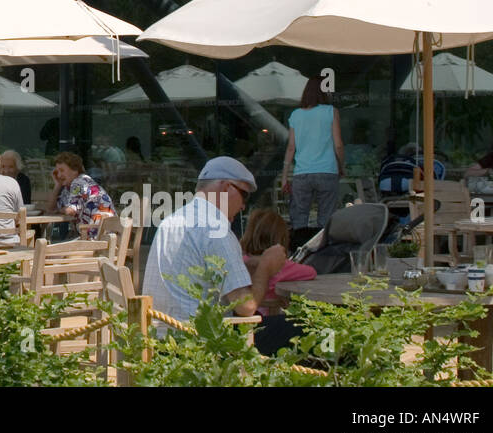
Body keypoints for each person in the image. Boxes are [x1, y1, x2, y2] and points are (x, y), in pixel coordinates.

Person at [141, 157, 292, 355]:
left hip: (161, 342)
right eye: (244, 195)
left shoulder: (171, 221)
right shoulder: (217, 230)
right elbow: (245, 306)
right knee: (305, 329)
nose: (243, 206)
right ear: (226, 188)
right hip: (198, 345)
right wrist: (265, 267)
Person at [280, 75, 345, 229]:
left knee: (299, 219)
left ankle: (300, 251)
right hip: (327, 171)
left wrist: (284, 177)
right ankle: (324, 251)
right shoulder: (331, 111)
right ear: (323, 93)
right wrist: (341, 166)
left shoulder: (296, 115)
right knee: (326, 219)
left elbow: (291, 147)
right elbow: (338, 145)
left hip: (302, 173)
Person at [239, 209, 316, 315]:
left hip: (246, 317)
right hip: (269, 318)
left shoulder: (240, 261)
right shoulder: (282, 266)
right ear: (283, 237)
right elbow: (311, 272)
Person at [47, 151, 114, 236]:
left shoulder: (79, 182)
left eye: (62, 171)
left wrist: (60, 210)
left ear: (75, 170)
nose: (59, 175)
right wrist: (57, 185)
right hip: (99, 235)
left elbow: (70, 211)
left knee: (52, 247)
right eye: (57, 172)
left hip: (100, 236)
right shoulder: (68, 188)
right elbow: (50, 209)